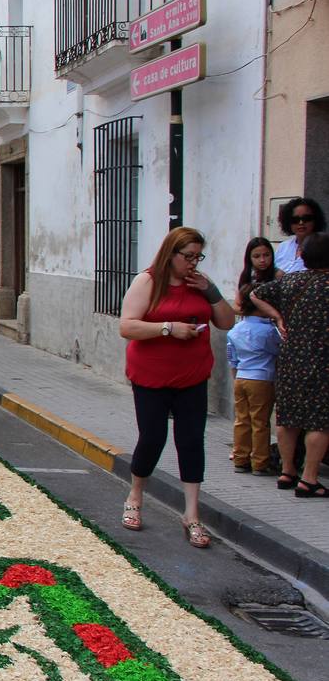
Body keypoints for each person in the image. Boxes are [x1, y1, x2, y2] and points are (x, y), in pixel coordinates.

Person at [118, 227, 236, 547]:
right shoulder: (148, 281)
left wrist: (211, 291)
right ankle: (135, 495)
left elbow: (227, 322)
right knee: (153, 437)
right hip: (151, 377)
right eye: (188, 257)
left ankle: (192, 514)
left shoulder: (199, 284)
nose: (193, 263)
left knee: (191, 441)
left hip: (192, 376)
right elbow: (127, 326)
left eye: (198, 256)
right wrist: (169, 329)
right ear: (171, 254)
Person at [249, 232, 329, 499]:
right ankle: (309, 478)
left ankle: (287, 471)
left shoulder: (290, 281)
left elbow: (255, 294)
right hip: (322, 359)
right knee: (319, 421)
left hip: (290, 356)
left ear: (301, 256)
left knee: (288, 416)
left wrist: (277, 316)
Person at [226, 285, 280, 476]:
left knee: (242, 420)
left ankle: (241, 458)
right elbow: (277, 350)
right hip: (262, 377)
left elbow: (231, 356)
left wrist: (236, 374)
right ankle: (260, 462)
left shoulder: (235, 329)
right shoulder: (269, 331)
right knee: (260, 422)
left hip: (241, 376)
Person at [273, 197, 325, 273]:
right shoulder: (282, 247)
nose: (301, 223)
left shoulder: (324, 248)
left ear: (315, 220)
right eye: (295, 220)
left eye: (306, 218)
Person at [236, 236, 280, 313]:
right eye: (256, 256)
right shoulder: (247, 274)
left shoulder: (278, 275)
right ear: (249, 258)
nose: (262, 260)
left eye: (266, 255)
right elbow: (237, 304)